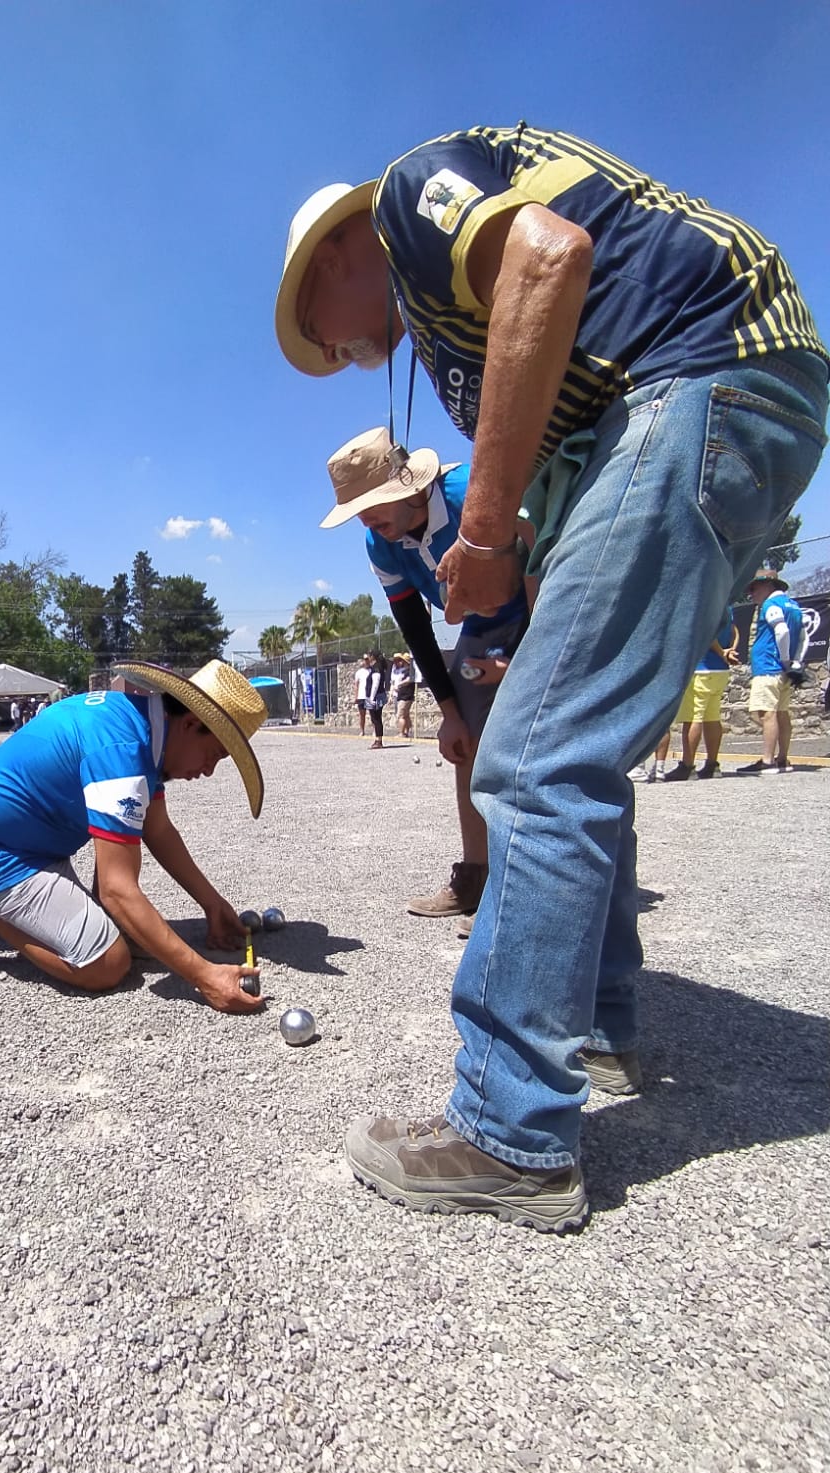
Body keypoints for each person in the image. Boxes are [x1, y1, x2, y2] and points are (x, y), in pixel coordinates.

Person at [276, 124, 827, 1229]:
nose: (342, 360)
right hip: (707, 394)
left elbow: (551, 257)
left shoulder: (408, 198)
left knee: (531, 758)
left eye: (319, 340)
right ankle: (600, 1022)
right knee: (572, 752)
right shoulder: (440, 342)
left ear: (334, 255)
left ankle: (510, 1129)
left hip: (696, 373)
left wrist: (481, 537)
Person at [0, 660, 267, 1012]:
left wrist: (211, 903)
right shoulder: (122, 749)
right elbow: (116, 890)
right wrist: (203, 976)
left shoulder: (141, 727)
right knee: (107, 964)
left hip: (32, 846)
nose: (209, 771)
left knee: (138, 935)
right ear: (191, 722)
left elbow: (159, 830)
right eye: (215, 754)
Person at [321, 428, 528, 918]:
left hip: (540, 610)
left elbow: (547, 555)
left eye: (372, 505)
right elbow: (414, 626)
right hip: (480, 626)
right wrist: (451, 711)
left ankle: (523, 897)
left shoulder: (467, 492)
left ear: (408, 486)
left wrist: (527, 658)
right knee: (467, 750)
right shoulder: (380, 543)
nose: (366, 521)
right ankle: (476, 882)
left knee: (533, 752)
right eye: (357, 512)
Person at [658, 609, 740, 781]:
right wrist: (731, 649)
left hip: (702, 668)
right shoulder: (726, 606)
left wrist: (722, 652)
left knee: (694, 717)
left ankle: (687, 766)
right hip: (720, 670)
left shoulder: (708, 602)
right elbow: (734, 630)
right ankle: (712, 764)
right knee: (712, 717)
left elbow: (708, 634)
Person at [740, 568, 808, 775]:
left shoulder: (771, 605)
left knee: (765, 713)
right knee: (781, 713)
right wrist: (795, 662)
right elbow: (804, 636)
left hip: (768, 666)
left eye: (754, 588)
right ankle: (782, 759)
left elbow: (782, 631)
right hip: (784, 671)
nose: (751, 593)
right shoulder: (794, 606)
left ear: (768, 586)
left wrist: (784, 659)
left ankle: (767, 761)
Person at [364, 649, 388, 749]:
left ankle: (378, 741)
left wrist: (372, 698)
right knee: (376, 719)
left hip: (375, 696)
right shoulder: (376, 667)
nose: (368, 658)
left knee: (376, 718)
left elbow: (376, 683)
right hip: (377, 695)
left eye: (369, 655)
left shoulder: (376, 668)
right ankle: (378, 739)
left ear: (372, 656)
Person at [390, 653, 414, 739]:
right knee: (405, 715)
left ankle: (402, 733)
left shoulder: (410, 671)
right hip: (402, 695)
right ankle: (407, 731)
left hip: (406, 696)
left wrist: (399, 685)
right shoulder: (404, 671)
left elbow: (409, 680)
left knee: (400, 715)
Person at [352, 657, 370, 737]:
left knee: (373, 714)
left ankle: (375, 731)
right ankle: (362, 730)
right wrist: (356, 696)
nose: (366, 662)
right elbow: (356, 685)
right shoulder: (359, 672)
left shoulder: (372, 671)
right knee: (362, 715)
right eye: (365, 660)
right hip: (361, 696)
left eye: (367, 660)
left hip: (370, 696)